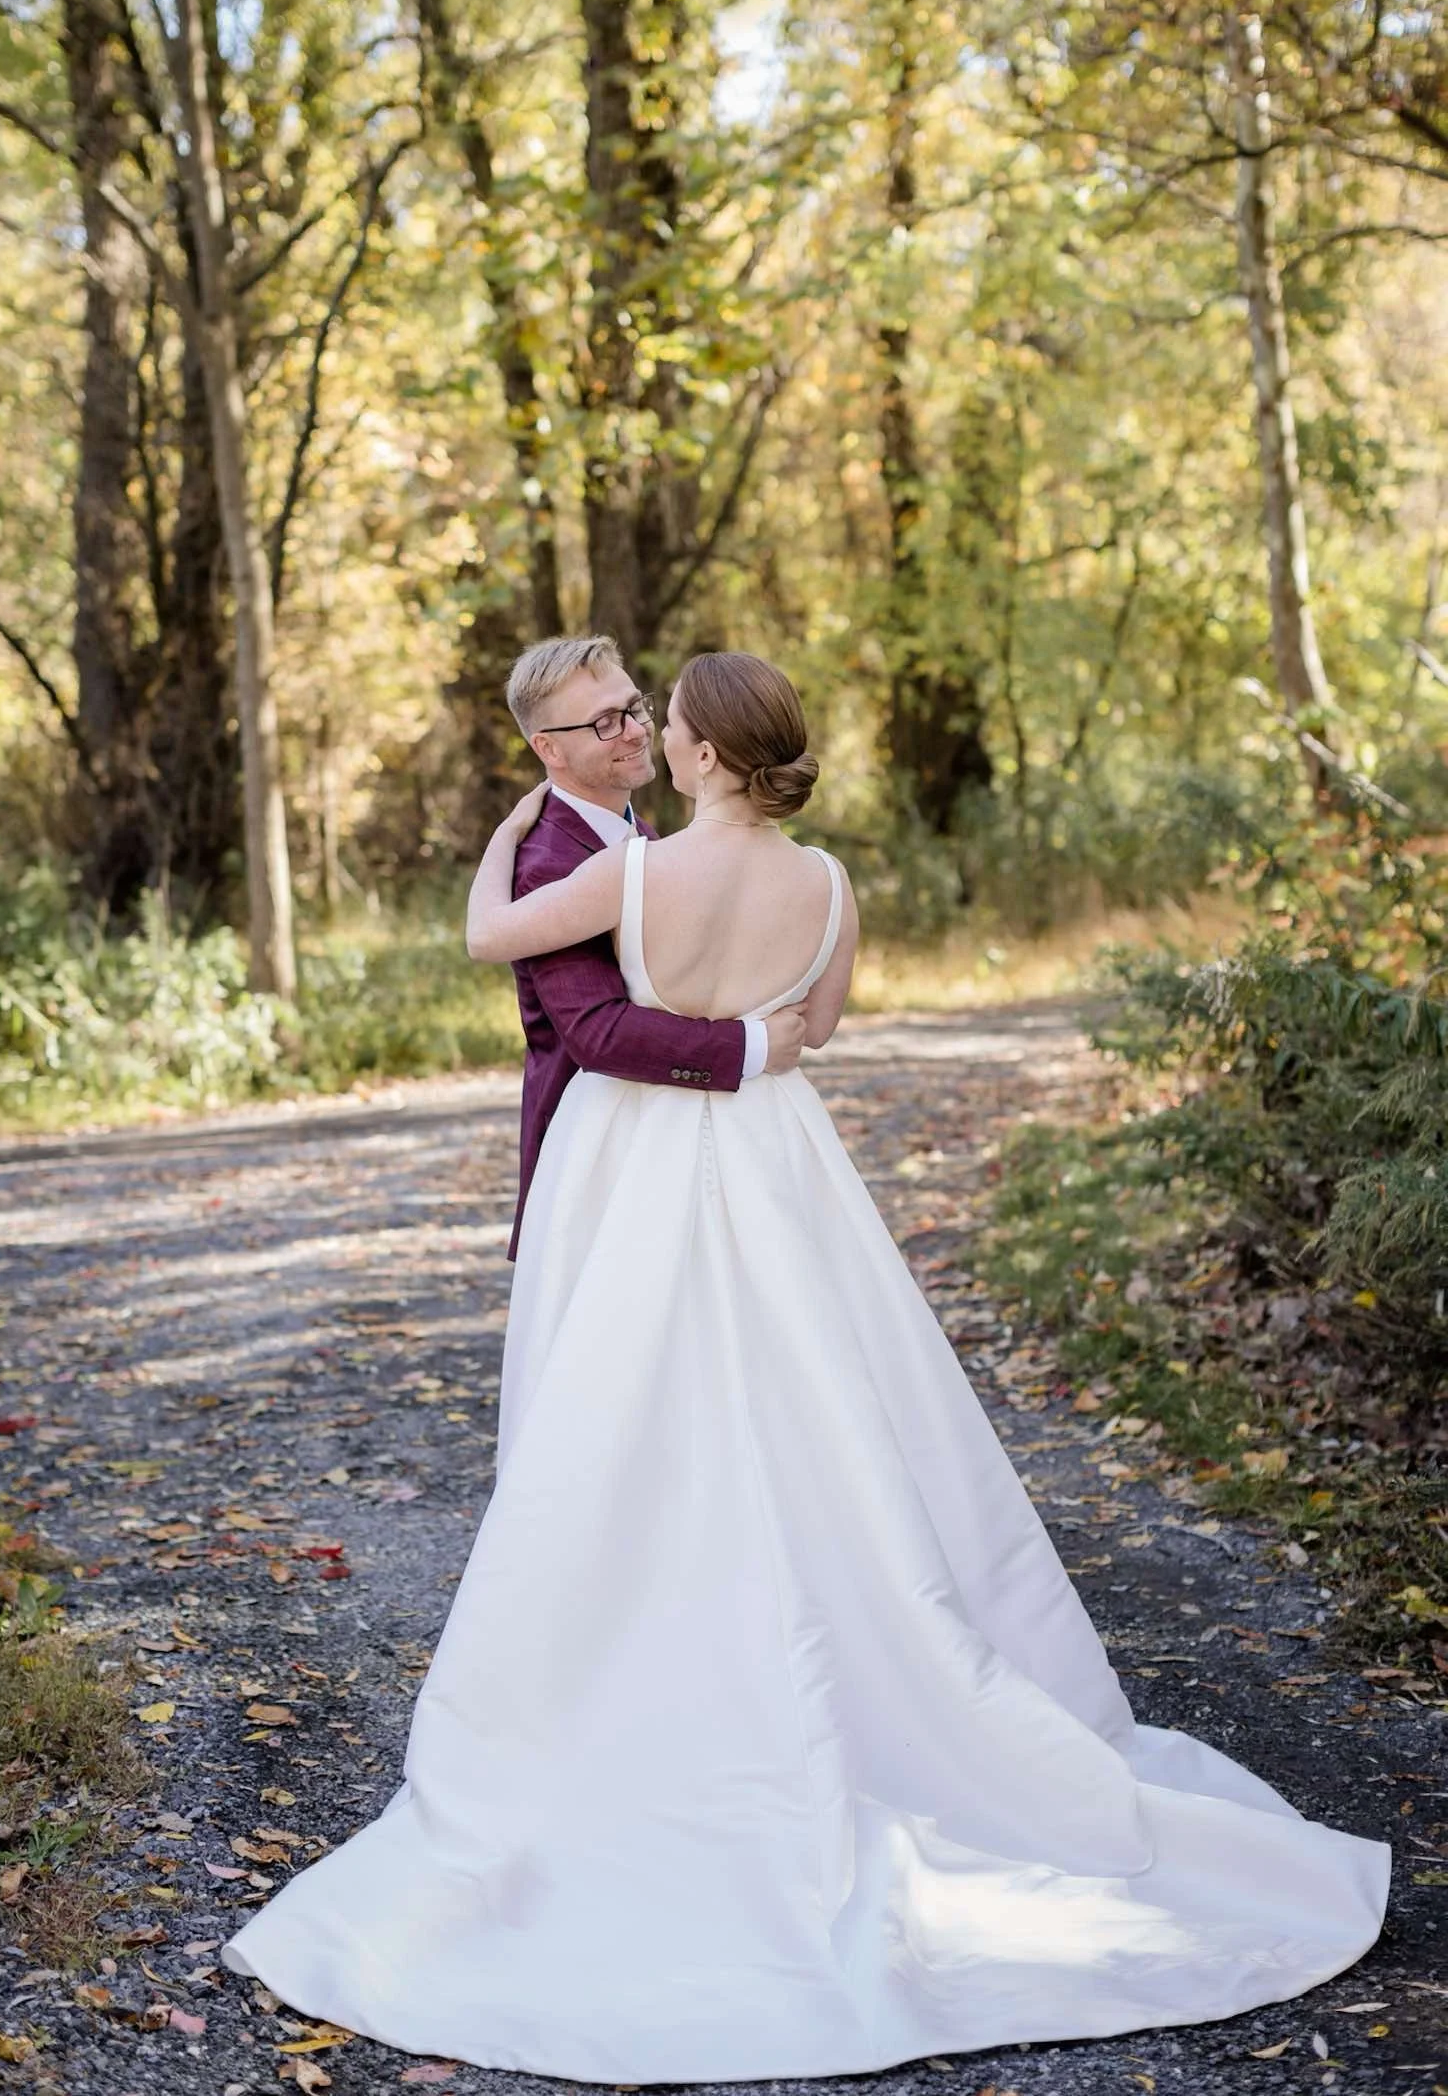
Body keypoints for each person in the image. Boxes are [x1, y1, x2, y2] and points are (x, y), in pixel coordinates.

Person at [223, 651, 1390, 2082]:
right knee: (822, 1395)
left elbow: (499, 949)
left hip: (639, 1160)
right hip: (778, 1157)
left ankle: (634, 1658)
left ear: (700, 753)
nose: (644, 731)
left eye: (658, 719)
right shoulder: (830, 886)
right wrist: (761, 1033)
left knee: (629, 1406)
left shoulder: (634, 880)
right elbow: (818, 1028)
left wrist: (487, 867)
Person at [487, 634, 807, 1257]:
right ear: (547, 747)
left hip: (680, 1145)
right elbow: (594, 1032)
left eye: (635, 707)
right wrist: (754, 1043)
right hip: (597, 1162)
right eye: (605, 722)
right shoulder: (546, 864)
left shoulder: (650, 841)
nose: (635, 730)